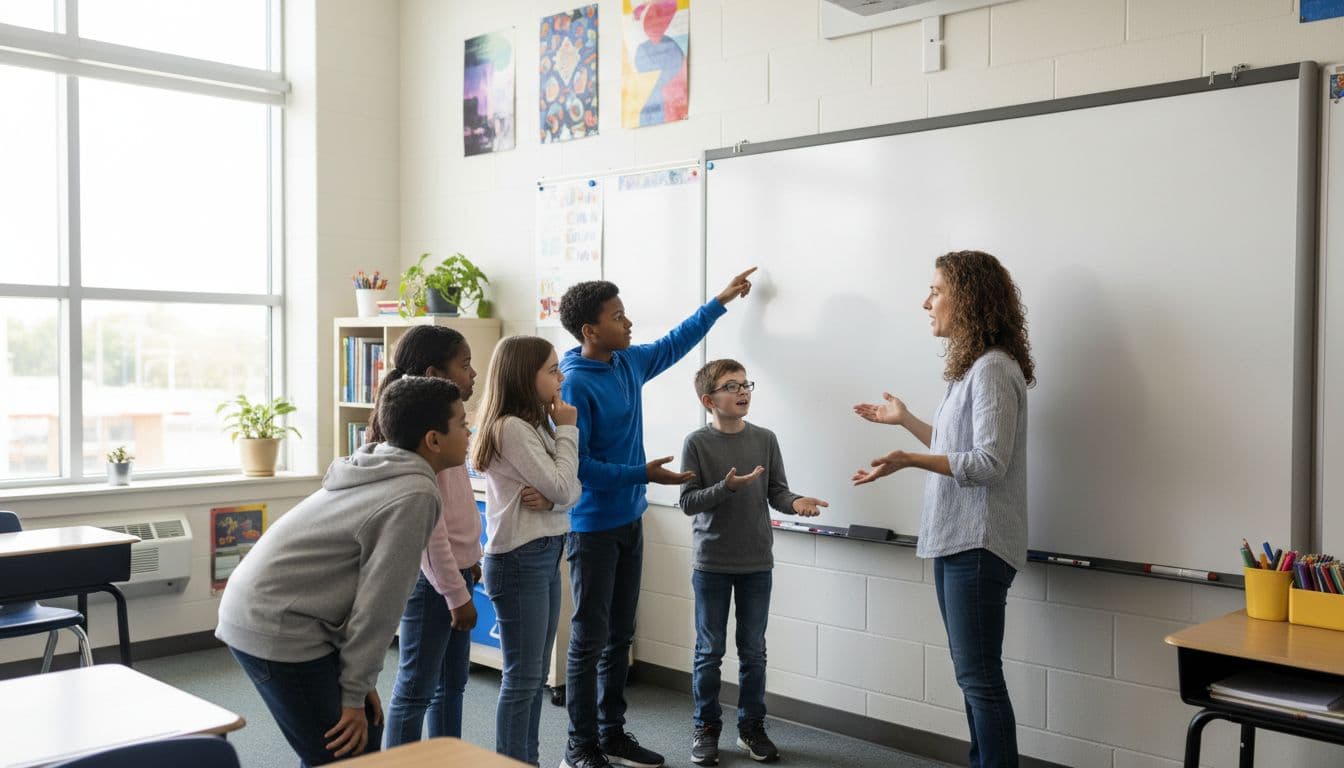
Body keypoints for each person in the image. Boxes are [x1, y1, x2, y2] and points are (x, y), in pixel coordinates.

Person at [558, 268, 757, 768]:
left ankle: (612, 734)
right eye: (617, 316)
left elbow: (675, 342)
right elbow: (577, 465)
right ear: (589, 331)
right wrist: (639, 474)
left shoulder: (627, 362)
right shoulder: (575, 385)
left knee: (621, 636)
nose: (629, 322)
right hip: (592, 527)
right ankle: (579, 745)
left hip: (630, 521)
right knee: (590, 638)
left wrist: (720, 300)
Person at [217, 376, 470, 766]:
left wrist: (356, 682)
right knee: (349, 753)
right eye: (463, 424)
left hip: (277, 609)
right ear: (433, 440)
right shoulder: (414, 494)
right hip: (276, 622)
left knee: (358, 737)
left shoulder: (385, 465)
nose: (470, 432)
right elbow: (379, 605)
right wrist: (352, 691)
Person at [852, 250, 1034, 768]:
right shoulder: (973, 369)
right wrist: (907, 422)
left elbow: (987, 463)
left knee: (979, 678)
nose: (925, 302)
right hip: (958, 539)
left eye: (936, 290)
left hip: (978, 542)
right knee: (971, 675)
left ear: (968, 298)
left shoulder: (994, 369)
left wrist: (911, 459)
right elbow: (959, 446)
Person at [679, 359, 828, 765]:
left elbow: (776, 491)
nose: (743, 392)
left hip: (757, 563)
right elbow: (688, 502)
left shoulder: (765, 438)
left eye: (746, 384)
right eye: (732, 386)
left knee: (754, 652)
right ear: (709, 400)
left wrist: (796, 503)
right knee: (709, 652)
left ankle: (751, 728)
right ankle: (706, 727)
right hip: (711, 563)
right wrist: (724, 487)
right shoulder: (697, 442)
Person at [370, 326, 484, 748]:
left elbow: (457, 510)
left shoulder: (449, 431)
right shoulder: (422, 446)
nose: (473, 374)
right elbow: (430, 534)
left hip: (457, 575)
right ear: (435, 373)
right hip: (433, 582)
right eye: (465, 365)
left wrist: (472, 564)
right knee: (417, 688)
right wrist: (456, 593)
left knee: (451, 686)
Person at [472, 335, 583, 765]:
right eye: (552, 369)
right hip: (521, 559)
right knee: (523, 678)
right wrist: (569, 432)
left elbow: (568, 487)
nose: (561, 377)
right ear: (524, 375)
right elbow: (563, 485)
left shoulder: (535, 422)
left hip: (543, 551)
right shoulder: (513, 428)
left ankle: (526, 760)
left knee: (533, 675)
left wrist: (558, 495)